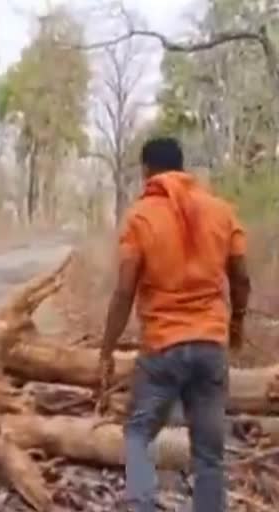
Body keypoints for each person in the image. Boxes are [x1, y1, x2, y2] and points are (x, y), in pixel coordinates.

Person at [97, 137, 251, 512]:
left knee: (137, 432)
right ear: (182, 168)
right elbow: (242, 278)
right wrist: (236, 324)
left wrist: (107, 349)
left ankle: (142, 505)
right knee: (209, 454)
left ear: (147, 170)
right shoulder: (221, 211)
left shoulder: (141, 216)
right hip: (210, 344)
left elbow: (124, 291)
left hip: (163, 348)